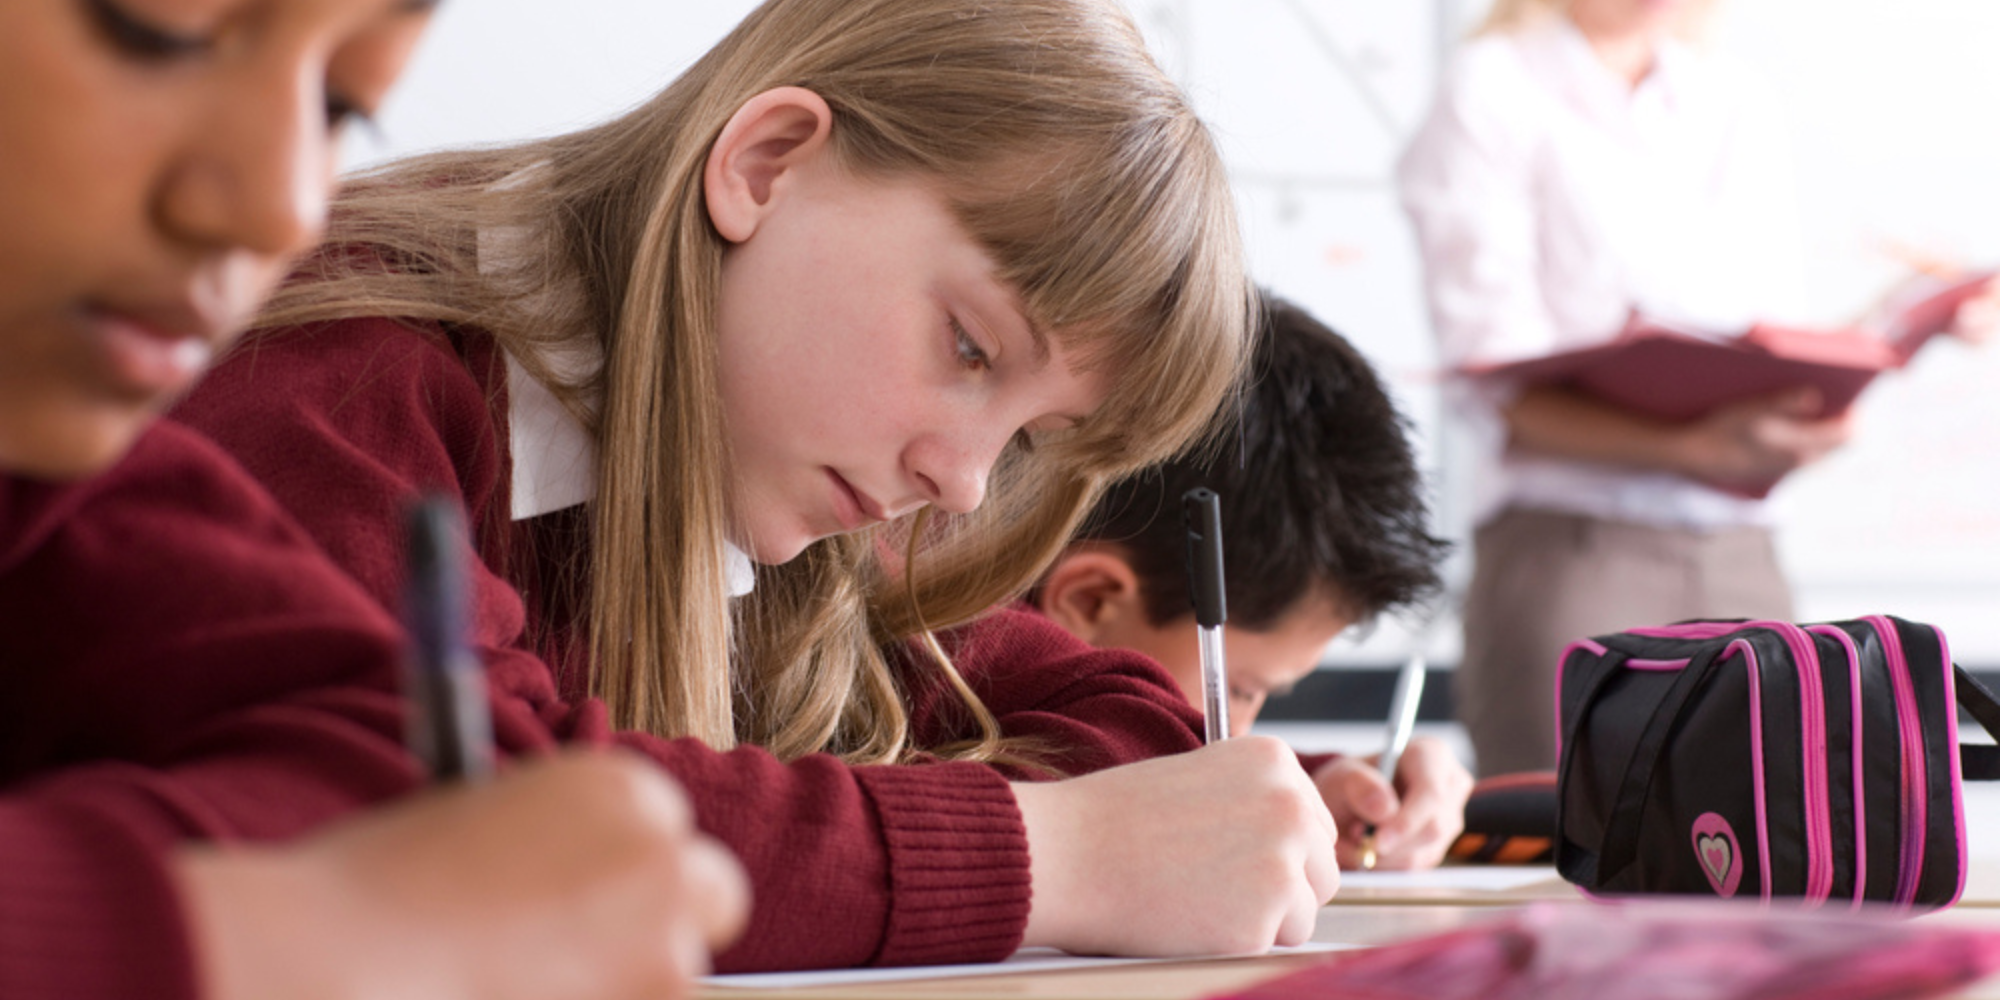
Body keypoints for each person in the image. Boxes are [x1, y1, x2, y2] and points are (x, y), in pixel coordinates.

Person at [171, 0, 1341, 971]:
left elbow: (1127, 728)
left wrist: (1228, 823)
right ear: (764, 164)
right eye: (971, 349)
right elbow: (454, 815)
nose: (964, 481)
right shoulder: (347, 369)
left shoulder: (778, 501)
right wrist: (1056, 855)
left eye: (1031, 433)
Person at [0, 1, 749, 998]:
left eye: (343, 104)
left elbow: (403, 779)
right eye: (159, 30)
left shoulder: (56, 486)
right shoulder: (352, 369)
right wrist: (257, 932)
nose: (283, 206)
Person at [1396, 0, 1864, 776]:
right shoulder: (1494, 86)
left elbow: (1771, 332)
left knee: (1772, 848)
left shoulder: (1732, 96)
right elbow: (1496, 370)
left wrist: (1832, 397)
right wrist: (1687, 444)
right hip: (1577, 553)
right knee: (1569, 854)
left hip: (1742, 552)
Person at [1029, 295, 1473, 871]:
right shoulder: (938, 679)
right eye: (1239, 689)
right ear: (1091, 600)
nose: (1243, 729)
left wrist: (1322, 786)